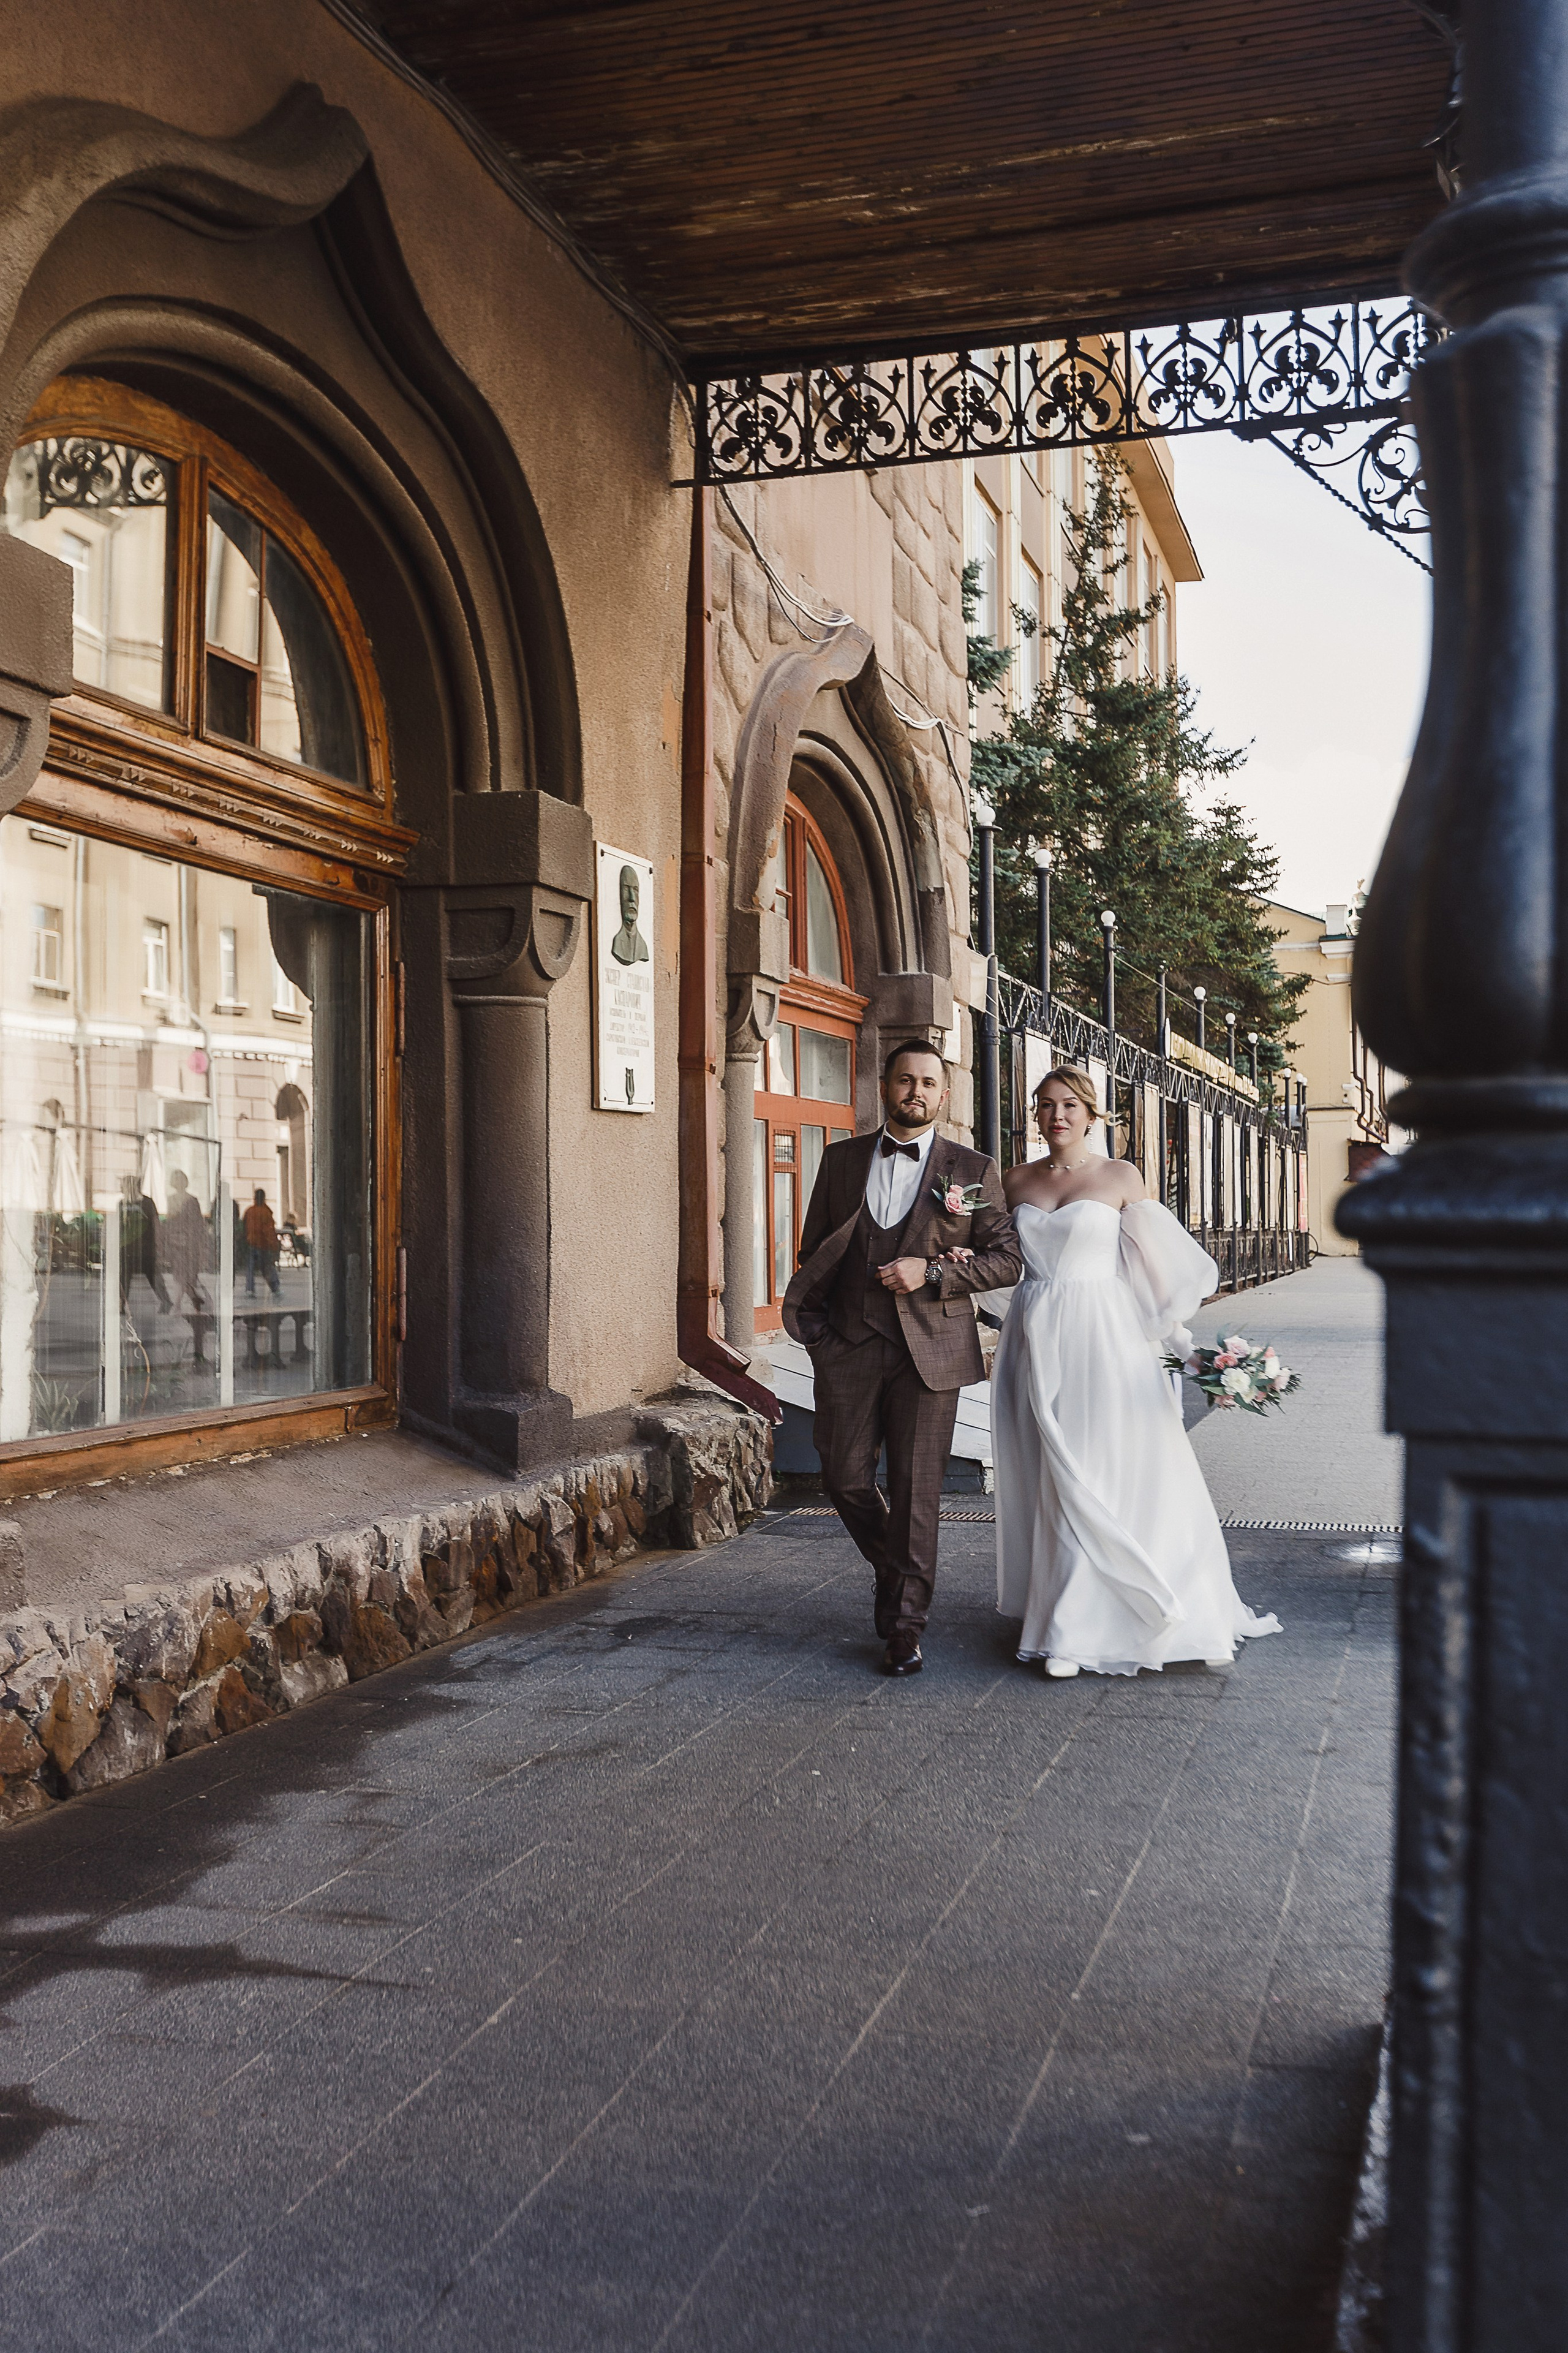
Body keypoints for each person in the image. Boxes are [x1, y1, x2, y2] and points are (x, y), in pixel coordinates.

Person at [989, 1065, 1281, 1678]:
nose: (1056, 1116)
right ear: (1034, 1115)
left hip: (1105, 1337)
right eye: (1044, 1105)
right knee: (1050, 1473)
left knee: (1098, 1470)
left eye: (1069, 1105)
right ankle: (1063, 1613)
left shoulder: (1120, 1177)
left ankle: (1077, 1630)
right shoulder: (1012, 1180)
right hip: (1034, 1336)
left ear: (1091, 1114)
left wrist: (1189, 1355)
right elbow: (994, 1266)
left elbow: (1154, 1275)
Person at [782, 1039, 1022, 1677]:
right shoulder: (840, 1161)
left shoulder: (970, 1169)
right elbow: (814, 1254)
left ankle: (904, 1627)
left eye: (927, 1082)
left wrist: (933, 1273)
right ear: (883, 1087)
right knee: (843, 1478)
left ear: (943, 1094)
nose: (914, 1091)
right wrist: (821, 1338)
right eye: (903, 1080)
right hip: (850, 1347)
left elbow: (1006, 1260)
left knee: (917, 1495)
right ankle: (898, 1570)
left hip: (931, 1352)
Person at [162, 1169, 211, 1313]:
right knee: (179, 1276)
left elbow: (198, 1224)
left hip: (191, 1243)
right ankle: (182, 1303)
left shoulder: (192, 1200)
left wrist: (201, 1244)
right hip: (176, 1243)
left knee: (189, 1276)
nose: (178, 1182)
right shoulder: (171, 1199)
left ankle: (186, 1302)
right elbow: (170, 1221)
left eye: (181, 1179)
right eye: (176, 1179)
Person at [242, 1187, 281, 1298]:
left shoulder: (249, 1211)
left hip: (251, 1243)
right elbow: (269, 1231)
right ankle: (275, 1287)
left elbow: (244, 1227)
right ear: (264, 1198)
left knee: (250, 1268)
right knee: (267, 1267)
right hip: (263, 1245)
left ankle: (250, 1289)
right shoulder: (266, 1213)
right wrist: (273, 1246)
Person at [610, 864, 649, 965]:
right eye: (626, 889)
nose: (632, 898)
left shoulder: (643, 946)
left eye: (635, 890)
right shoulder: (617, 942)